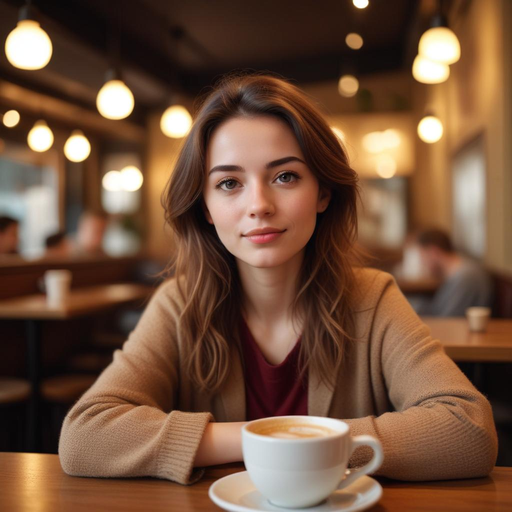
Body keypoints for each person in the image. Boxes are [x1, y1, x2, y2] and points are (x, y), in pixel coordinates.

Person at [59, 74, 497, 485]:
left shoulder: (372, 298)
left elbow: (468, 429)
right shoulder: (179, 304)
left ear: (323, 192)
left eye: (285, 176)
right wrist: (275, 439)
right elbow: (85, 436)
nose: (259, 205)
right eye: (230, 183)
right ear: (206, 208)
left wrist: (277, 441)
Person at [412, 229, 494, 316]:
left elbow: (447, 318)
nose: (422, 263)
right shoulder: (458, 272)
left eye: (422, 257)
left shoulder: (466, 277)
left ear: (434, 252)